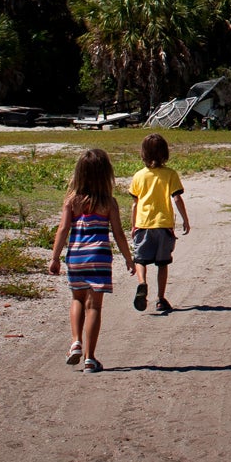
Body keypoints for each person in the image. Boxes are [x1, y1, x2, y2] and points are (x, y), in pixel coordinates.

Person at [49, 148, 134, 372]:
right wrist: (128, 258)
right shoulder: (109, 203)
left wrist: (55, 257)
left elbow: (63, 229)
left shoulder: (72, 201)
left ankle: (76, 341)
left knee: (77, 299)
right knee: (94, 306)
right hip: (100, 258)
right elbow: (118, 233)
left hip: (76, 257)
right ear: (106, 175)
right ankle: (90, 357)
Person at [127, 133, 190, 314]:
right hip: (163, 225)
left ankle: (142, 283)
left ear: (143, 153)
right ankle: (160, 299)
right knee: (162, 263)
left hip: (143, 224)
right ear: (164, 153)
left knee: (140, 259)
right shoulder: (170, 174)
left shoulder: (139, 176)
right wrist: (185, 219)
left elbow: (135, 203)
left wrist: (133, 225)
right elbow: (177, 198)